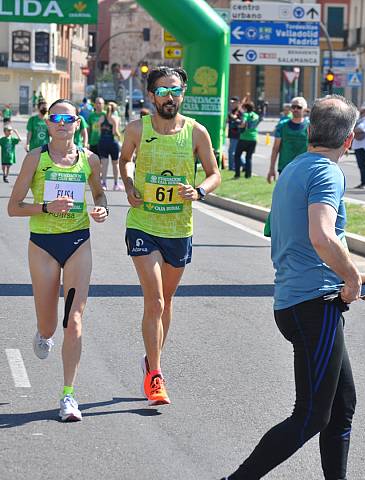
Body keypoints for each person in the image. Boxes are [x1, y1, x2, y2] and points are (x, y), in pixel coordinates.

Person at [222, 95, 365, 480]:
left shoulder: (297, 166)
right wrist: (350, 279)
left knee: (341, 406)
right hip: (314, 305)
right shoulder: (328, 172)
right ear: (348, 141)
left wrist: (356, 274)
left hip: (299, 300)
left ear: (310, 131)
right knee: (311, 415)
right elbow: (322, 237)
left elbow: (311, 239)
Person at [119, 66, 221, 406]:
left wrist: (200, 192)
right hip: (143, 224)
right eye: (162, 91)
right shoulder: (137, 129)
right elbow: (125, 161)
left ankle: (151, 358)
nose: (169, 97)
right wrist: (130, 184)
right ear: (150, 96)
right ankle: (156, 376)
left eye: (175, 90)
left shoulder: (196, 132)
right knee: (156, 300)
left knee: (167, 300)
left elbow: (214, 174)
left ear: (183, 93)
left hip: (179, 228)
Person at [7, 98, 108, 421]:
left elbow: (100, 194)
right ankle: (43, 333)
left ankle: (68, 396)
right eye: (55, 118)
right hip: (44, 245)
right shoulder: (35, 159)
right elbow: (14, 207)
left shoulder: (89, 160)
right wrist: (47, 208)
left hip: (78, 242)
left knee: (74, 320)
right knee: (50, 325)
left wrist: (101, 208)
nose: (62, 123)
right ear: (47, 123)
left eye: (68, 118)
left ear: (78, 123)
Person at [267, 96, 309, 183]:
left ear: (304, 109)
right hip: (285, 168)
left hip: (304, 169)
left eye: (299, 107)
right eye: (293, 107)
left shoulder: (310, 127)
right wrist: (271, 168)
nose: (295, 109)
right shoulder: (282, 125)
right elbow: (275, 149)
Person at [97, 101, 123, 191]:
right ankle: (116, 184)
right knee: (115, 164)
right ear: (115, 109)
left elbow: (99, 131)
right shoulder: (114, 118)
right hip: (112, 142)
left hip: (102, 141)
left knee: (104, 164)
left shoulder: (101, 118)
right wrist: (120, 136)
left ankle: (103, 183)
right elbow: (114, 132)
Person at [234, 101, 259, 179]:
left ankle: (237, 174)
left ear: (246, 108)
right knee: (249, 157)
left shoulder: (245, 114)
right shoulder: (256, 116)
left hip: (244, 138)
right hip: (253, 138)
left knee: (237, 156)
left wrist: (239, 126)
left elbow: (243, 123)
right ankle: (248, 175)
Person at [227, 96, 243, 171]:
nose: (232, 104)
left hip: (237, 134)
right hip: (232, 133)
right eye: (231, 103)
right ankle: (242, 165)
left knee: (232, 152)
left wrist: (235, 119)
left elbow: (242, 123)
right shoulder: (232, 111)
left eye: (233, 103)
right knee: (234, 152)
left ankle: (232, 167)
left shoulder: (240, 112)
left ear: (237, 103)